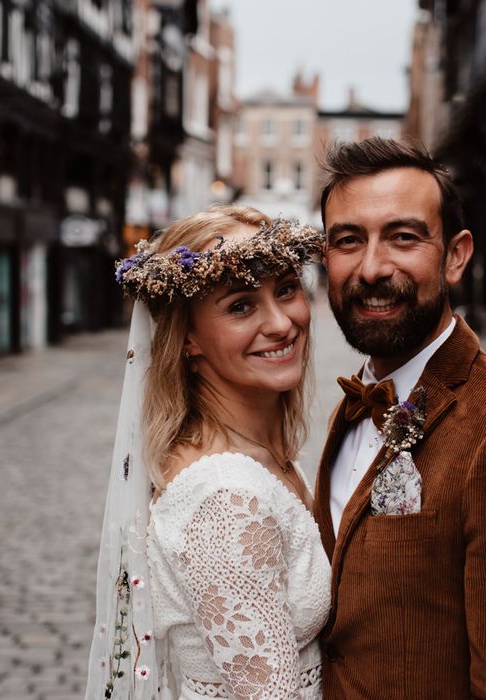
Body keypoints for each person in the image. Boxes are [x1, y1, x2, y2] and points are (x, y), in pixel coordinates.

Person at [313, 138, 486, 699]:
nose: (371, 268)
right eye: (349, 240)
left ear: (456, 254)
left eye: (403, 237)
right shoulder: (355, 404)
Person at [86, 206, 330, 700]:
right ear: (189, 339)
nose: (282, 322)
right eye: (241, 305)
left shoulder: (263, 456)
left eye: (286, 289)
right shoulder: (225, 500)